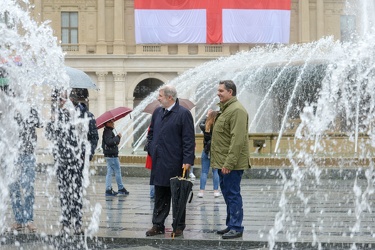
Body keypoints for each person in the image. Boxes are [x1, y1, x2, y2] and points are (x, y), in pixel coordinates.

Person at [145, 85, 195, 237]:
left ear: (169, 97)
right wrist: (151, 148)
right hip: (159, 161)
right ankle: (158, 224)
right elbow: (151, 133)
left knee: (178, 197)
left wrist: (188, 160)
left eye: (160, 96)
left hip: (176, 162)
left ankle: (178, 226)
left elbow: (188, 139)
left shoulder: (183, 114)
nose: (158, 98)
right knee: (160, 194)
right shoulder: (157, 112)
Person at [210, 80, 250, 240]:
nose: (218, 93)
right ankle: (231, 224)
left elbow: (238, 139)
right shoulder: (226, 109)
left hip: (230, 164)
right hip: (222, 162)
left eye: (221, 91)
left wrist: (229, 163)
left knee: (233, 194)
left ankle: (236, 226)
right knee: (227, 194)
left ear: (230, 92)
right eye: (218, 90)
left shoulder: (237, 110)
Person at [45, 90, 85, 235]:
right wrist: (51, 120)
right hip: (61, 161)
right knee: (64, 193)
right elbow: (48, 135)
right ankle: (66, 222)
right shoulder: (55, 116)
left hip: (75, 160)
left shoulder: (76, 113)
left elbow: (83, 135)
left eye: (63, 98)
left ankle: (77, 223)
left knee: (76, 192)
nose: (61, 101)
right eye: (59, 99)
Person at [8, 108, 41, 232]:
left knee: (28, 186)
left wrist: (24, 113)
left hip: (28, 154)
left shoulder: (30, 109)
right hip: (12, 154)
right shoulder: (7, 110)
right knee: (14, 188)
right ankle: (19, 220)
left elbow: (39, 123)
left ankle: (29, 220)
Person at [102, 120, 129, 196]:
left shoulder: (108, 131)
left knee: (110, 172)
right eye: (111, 122)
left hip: (109, 155)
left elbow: (114, 142)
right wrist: (118, 137)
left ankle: (108, 189)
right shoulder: (108, 132)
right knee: (117, 171)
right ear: (107, 123)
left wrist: (118, 138)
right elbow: (110, 142)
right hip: (112, 155)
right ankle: (120, 188)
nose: (113, 123)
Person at [197, 109, 220, 198]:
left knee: (204, 172)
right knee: (215, 172)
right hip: (215, 151)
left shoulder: (206, 127)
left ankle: (201, 191)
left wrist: (207, 115)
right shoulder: (218, 128)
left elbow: (200, 124)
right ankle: (216, 191)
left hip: (206, 151)